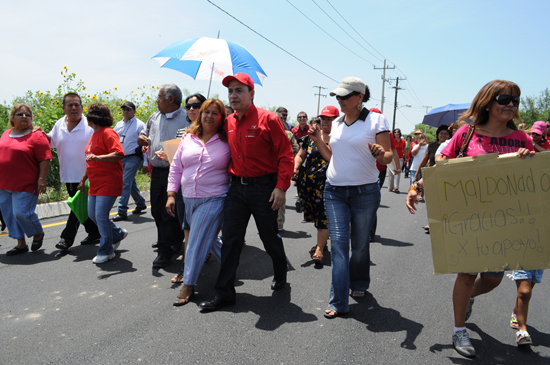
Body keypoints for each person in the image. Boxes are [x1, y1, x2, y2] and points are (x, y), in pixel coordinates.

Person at [406, 79, 534, 358]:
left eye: (515, 100)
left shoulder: (523, 139)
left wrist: (528, 159)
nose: (511, 104)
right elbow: (439, 166)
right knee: (466, 273)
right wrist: (416, 188)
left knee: (493, 278)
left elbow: (534, 182)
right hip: (469, 218)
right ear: (488, 102)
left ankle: (468, 299)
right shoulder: (466, 134)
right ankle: (459, 329)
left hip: (506, 220)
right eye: (504, 99)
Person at [199, 72, 294, 312]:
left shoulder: (269, 119)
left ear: (252, 93)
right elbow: (204, 135)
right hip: (236, 189)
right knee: (230, 241)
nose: (233, 95)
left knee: (269, 237)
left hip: (265, 189)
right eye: (230, 91)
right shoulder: (227, 122)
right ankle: (225, 293)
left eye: (239, 90)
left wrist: (281, 187)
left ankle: (280, 271)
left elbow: (285, 154)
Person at [308, 77, 392, 319]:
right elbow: (332, 156)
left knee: (360, 246)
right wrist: (316, 141)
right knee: (339, 247)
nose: (340, 100)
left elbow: (387, 157)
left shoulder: (376, 119)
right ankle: (338, 301)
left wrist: (380, 153)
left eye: (345, 96)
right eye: (338, 97)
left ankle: (360, 283)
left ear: (360, 97)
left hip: (365, 192)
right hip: (334, 191)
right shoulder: (335, 122)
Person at [166, 99, 230, 306]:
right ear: (200, 115)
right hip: (188, 198)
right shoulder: (188, 138)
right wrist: (171, 194)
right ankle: (231, 263)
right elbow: (176, 166)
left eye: (215, 113)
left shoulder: (227, 140)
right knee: (208, 238)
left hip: (214, 197)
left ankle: (188, 284)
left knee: (194, 239)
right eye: (206, 112)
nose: (209, 116)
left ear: (222, 118)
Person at [138, 84, 189, 268]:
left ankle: (165, 250)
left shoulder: (187, 119)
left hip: (176, 172)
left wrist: (171, 155)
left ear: (170, 99)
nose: (157, 100)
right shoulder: (154, 116)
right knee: (156, 210)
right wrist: (141, 140)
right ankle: (172, 240)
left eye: (159, 97)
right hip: (157, 171)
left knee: (169, 212)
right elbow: (143, 133)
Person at [48, 93, 101, 251]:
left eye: (77, 104)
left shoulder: (90, 125)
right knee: (80, 206)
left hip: (87, 175)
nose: (73, 108)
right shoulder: (59, 124)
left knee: (75, 205)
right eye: (70, 105)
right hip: (68, 174)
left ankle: (66, 238)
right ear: (63, 108)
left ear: (82, 107)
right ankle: (95, 232)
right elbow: (51, 141)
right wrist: (38, 134)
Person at [78, 103, 128, 264]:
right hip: (95, 182)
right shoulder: (94, 135)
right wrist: (83, 179)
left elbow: (119, 153)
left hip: (108, 181)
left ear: (94, 117)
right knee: (93, 215)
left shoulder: (108, 133)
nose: (86, 118)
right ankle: (118, 233)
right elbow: (90, 160)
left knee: (100, 216)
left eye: (88, 115)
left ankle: (106, 250)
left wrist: (98, 157)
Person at [0, 104, 51, 255]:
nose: (24, 117)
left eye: (27, 115)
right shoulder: (5, 133)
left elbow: (45, 158)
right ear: (12, 118)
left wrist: (42, 179)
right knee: (9, 214)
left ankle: (38, 232)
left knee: (21, 213)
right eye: (20, 114)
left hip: (25, 184)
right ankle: (20, 244)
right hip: (4, 183)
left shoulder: (37, 135)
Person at [293, 106, 339, 265]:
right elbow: (300, 154)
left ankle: (319, 249)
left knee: (323, 217)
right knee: (315, 216)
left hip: (328, 186)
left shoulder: (338, 139)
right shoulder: (309, 138)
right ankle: (323, 242)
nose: (325, 122)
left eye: (330, 119)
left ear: (337, 120)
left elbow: (332, 158)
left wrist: (320, 140)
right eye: (323, 119)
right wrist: (296, 167)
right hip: (309, 185)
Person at [111, 101, 147, 221]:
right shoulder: (119, 125)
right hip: (121, 157)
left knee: (124, 183)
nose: (126, 111)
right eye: (124, 109)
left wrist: (146, 162)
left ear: (134, 111)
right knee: (130, 183)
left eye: (129, 109)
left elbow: (145, 144)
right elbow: (114, 140)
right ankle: (140, 203)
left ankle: (122, 211)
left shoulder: (140, 125)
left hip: (133, 157)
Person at [388, 128, 406, 193]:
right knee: (391, 172)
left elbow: (404, 150)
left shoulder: (403, 141)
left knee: (398, 172)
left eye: (398, 132)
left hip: (400, 158)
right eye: (395, 132)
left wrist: (406, 159)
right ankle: (390, 187)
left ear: (400, 133)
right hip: (392, 158)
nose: (396, 133)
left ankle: (396, 187)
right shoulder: (392, 140)